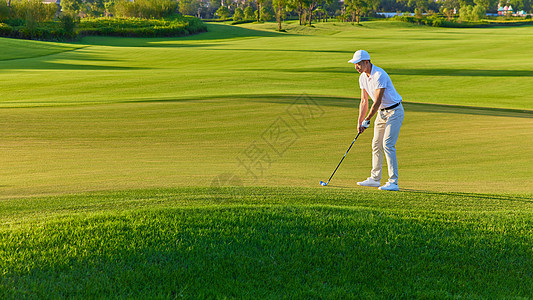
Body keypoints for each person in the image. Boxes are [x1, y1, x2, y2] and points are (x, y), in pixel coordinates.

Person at [348, 50, 404, 191]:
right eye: (355, 64)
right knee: (376, 144)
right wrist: (360, 122)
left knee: (388, 144)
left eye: (358, 64)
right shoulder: (362, 77)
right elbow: (363, 101)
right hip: (381, 113)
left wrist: (367, 119)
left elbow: (377, 101)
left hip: (394, 111)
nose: (356, 67)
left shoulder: (379, 75)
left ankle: (393, 182)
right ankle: (375, 179)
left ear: (367, 62)